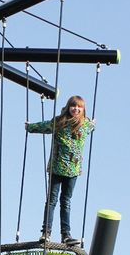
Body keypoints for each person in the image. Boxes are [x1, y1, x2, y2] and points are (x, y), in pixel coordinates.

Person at [25, 95, 95, 244]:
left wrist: (93, 124)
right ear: (69, 107)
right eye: (73, 106)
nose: (76, 109)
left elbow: (92, 126)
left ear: (83, 110)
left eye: (79, 107)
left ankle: (66, 235)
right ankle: (46, 232)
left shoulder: (85, 124)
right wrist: (30, 127)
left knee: (66, 201)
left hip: (73, 170)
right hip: (57, 168)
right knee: (52, 200)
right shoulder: (59, 122)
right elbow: (44, 126)